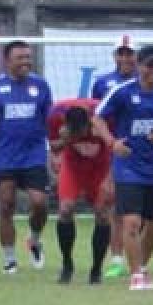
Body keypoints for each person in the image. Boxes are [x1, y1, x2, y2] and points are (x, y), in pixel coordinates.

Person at [93, 45, 153, 291]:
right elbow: (97, 118)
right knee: (132, 221)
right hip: (128, 166)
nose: (152, 71)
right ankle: (136, 276)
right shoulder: (122, 92)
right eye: (148, 65)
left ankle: (142, 266)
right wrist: (112, 143)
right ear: (139, 66)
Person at [0, 40, 52, 274]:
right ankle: (10, 258)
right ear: (7, 61)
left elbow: (49, 122)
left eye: (28, 57)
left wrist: (54, 151)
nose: (25, 61)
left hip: (33, 156)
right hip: (5, 157)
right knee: (5, 205)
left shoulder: (41, 86)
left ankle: (34, 239)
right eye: (20, 58)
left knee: (39, 203)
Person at [47, 98, 113, 283]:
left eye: (82, 133)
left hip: (101, 167)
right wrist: (63, 141)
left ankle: (96, 269)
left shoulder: (106, 114)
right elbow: (53, 146)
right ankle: (67, 264)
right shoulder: (55, 115)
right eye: (75, 134)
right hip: (73, 166)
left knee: (102, 213)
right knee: (65, 209)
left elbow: (118, 146)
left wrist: (111, 178)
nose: (80, 137)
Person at [91, 35, 138, 280]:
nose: (125, 58)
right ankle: (117, 258)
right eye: (121, 53)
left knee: (137, 209)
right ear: (115, 56)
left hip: (139, 152)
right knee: (112, 204)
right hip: (110, 150)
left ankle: (136, 257)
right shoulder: (102, 83)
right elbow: (96, 117)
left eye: (129, 53)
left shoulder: (147, 83)